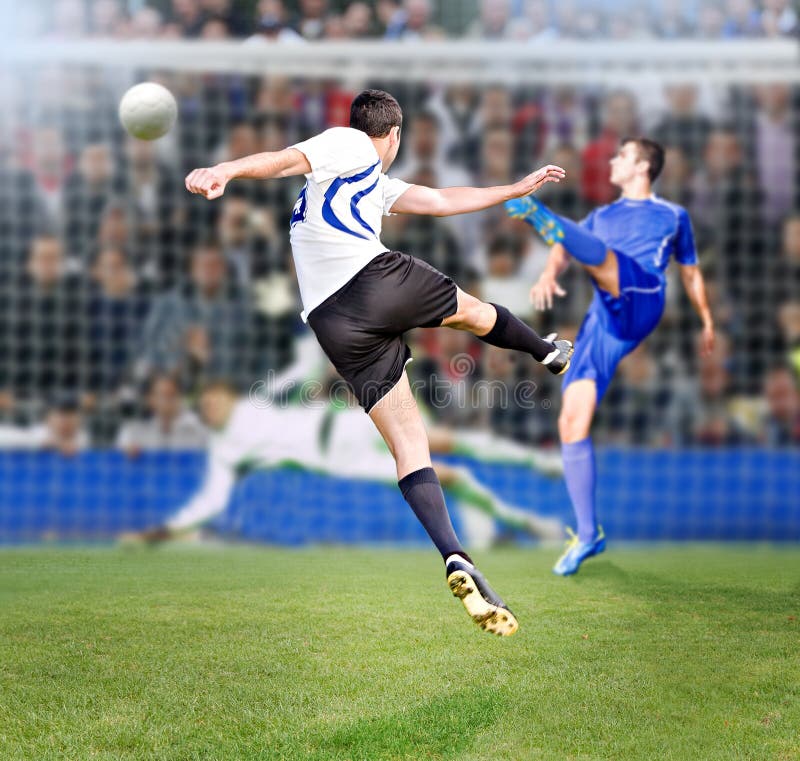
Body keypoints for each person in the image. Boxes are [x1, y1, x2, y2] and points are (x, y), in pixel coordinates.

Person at [185, 89, 573, 636]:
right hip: (370, 281)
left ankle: (455, 555)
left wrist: (514, 187)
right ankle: (548, 352)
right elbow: (286, 158)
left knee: (410, 446)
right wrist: (225, 170)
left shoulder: (360, 185)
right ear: (393, 136)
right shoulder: (350, 144)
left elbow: (440, 200)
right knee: (473, 311)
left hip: (333, 325)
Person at [506, 136, 714, 575]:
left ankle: (539, 214)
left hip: (643, 295)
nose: (613, 160)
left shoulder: (672, 216)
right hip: (603, 320)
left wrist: (707, 319)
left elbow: (691, 273)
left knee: (606, 262)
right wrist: (548, 271)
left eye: (622, 155)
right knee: (571, 420)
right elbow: (567, 246)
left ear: (642, 167)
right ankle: (587, 535)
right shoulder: (601, 215)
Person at [121, 381, 565, 547]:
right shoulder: (226, 450)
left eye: (214, 396)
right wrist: (163, 532)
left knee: (451, 441)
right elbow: (211, 502)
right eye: (206, 406)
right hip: (340, 459)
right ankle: (527, 522)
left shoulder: (261, 397)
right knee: (448, 475)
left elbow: (303, 373)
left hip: (349, 424)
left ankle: (538, 460)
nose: (213, 405)